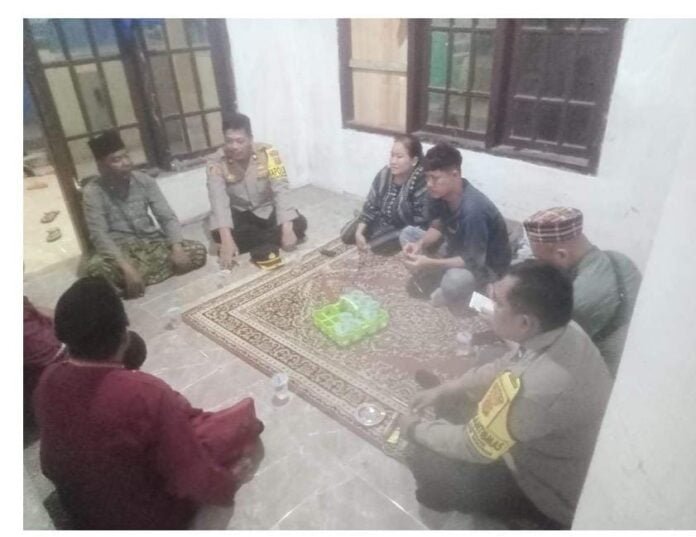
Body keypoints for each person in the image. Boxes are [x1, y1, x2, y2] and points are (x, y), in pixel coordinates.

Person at [34, 277, 265, 529]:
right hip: (145, 519)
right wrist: (228, 484)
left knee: (174, 420)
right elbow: (190, 477)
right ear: (124, 335)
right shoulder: (144, 393)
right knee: (236, 423)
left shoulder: (49, 377)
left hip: (78, 509)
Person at [400, 261, 612, 529]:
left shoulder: (534, 392)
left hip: (548, 490)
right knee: (480, 370)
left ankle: (447, 501)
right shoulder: (566, 329)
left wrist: (414, 429)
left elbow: (474, 447)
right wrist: (448, 387)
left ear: (524, 323)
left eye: (498, 303)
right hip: (564, 448)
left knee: (427, 459)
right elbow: (509, 363)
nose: (489, 306)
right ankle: (448, 404)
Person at [81, 130, 207, 299]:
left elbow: (166, 217)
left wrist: (176, 247)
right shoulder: (93, 192)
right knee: (96, 271)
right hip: (120, 252)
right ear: (101, 167)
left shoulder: (144, 181)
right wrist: (125, 266)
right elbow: (99, 234)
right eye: (116, 160)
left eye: (126, 156)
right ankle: (136, 276)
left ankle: (135, 280)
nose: (126, 163)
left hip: (151, 244)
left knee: (197, 251)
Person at [523, 207, 642, 375]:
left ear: (561, 255)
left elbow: (540, 344)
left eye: (541, 259)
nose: (540, 265)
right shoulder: (619, 258)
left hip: (609, 375)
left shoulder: (577, 299)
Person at [399, 142, 511, 307]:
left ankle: (462, 290)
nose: (429, 184)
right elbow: (437, 226)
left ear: (455, 174)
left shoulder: (474, 210)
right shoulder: (437, 193)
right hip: (456, 247)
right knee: (408, 235)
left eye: (435, 178)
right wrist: (419, 244)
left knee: (455, 281)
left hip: (485, 264)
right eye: (427, 177)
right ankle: (441, 278)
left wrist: (429, 262)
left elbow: (473, 261)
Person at [206, 113, 307, 269]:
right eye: (229, 141)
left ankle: (257, 243)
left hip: (266, 209)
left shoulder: (270, 153)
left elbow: (281, 188)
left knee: (299, 223)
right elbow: (217, 199)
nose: (234, 146)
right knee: (219, 235)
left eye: (240, 141)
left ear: (250, 139)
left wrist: (287, 228)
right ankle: (268, 241)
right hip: (240, 214)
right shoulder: (215, 162)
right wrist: (226, 239)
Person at [340, 135, 427, 254]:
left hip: (402, 227)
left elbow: (420, 223)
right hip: (380, 218)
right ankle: (373, 230)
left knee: (376, 246)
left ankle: (381, 236)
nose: (393, 161)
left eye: (399, 157)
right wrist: (359, 232)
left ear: (414, 161)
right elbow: (371, 205)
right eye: (392, 155)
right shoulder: (384, 174)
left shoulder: (420, 181)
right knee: (346, 234)